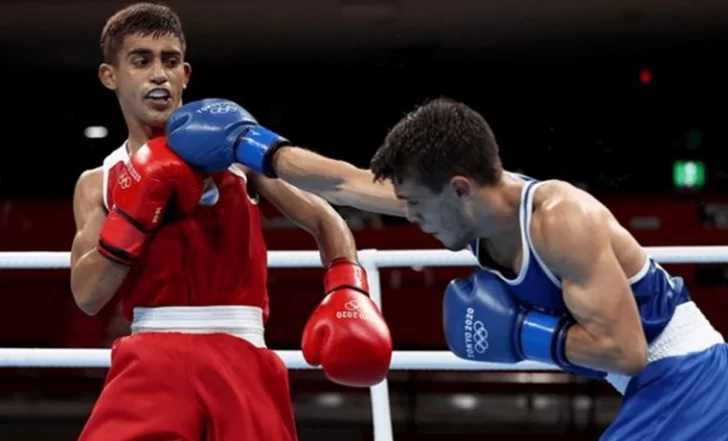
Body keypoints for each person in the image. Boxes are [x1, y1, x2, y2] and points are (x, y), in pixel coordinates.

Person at [165, 96, 728, 440]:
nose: (410, 217)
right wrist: (252, 146)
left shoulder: (561, 220)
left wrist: (521, 333)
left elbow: (625, 351)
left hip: (689, 376)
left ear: (460, 189)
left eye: (415, 205)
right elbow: (344, 182)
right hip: (654, 389)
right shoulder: (472, 210)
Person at [69, 4, 392, 441]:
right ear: (111, 76)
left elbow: (323, 218)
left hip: (241, 354)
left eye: (170, 61)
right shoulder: (100, 180)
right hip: (150, 359)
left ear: (185, 74)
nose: (159, 74)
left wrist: (347, 289)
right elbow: (88, 295)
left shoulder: (235, 154)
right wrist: (135, 210)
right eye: (141, 60)